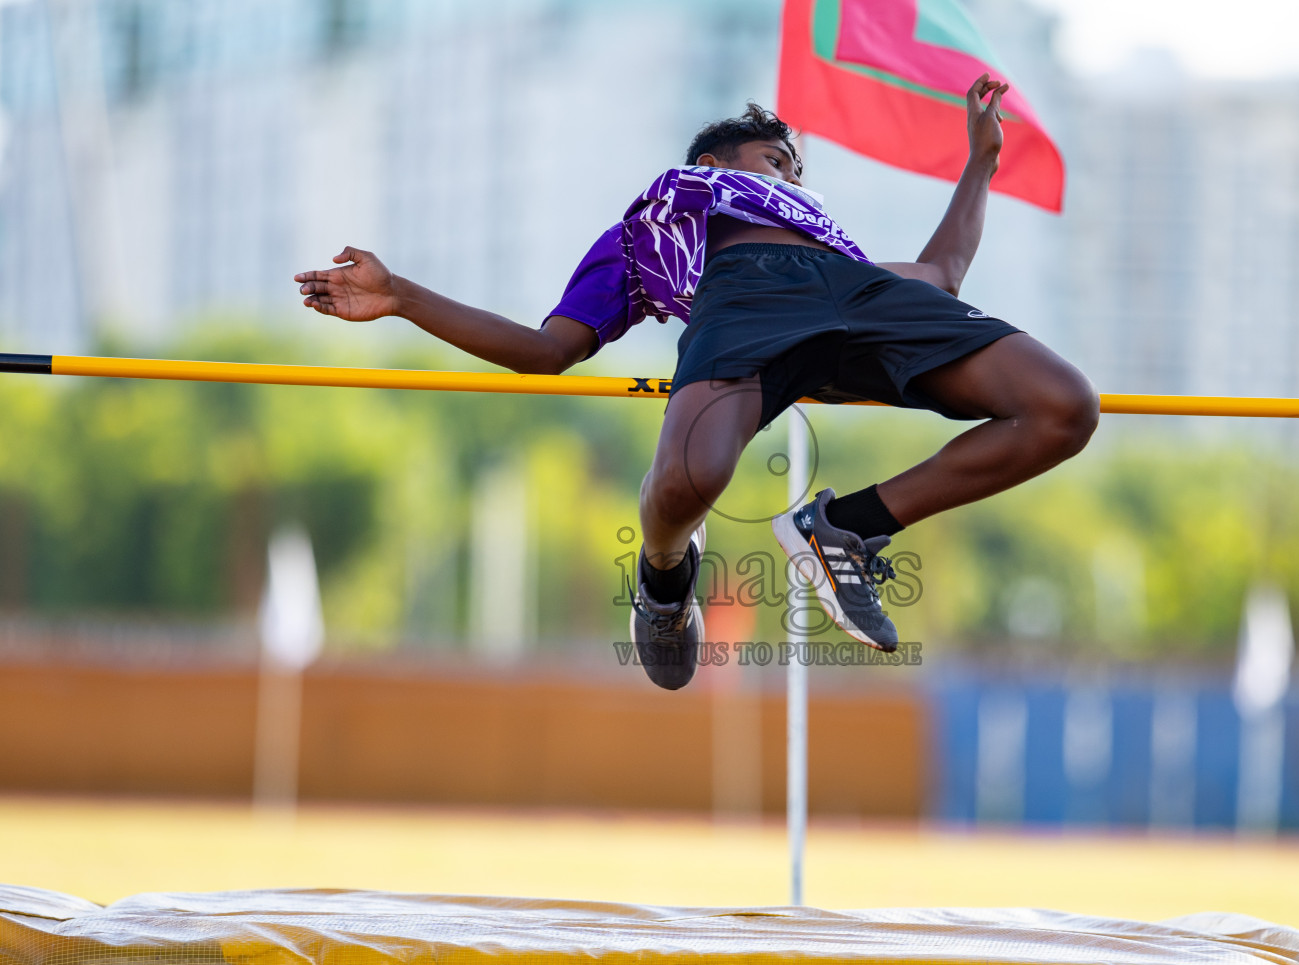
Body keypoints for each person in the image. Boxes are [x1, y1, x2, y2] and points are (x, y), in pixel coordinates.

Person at [295, 75, 1098, 691]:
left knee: (1063, 408)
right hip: (740, 297)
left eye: (797, 167)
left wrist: (981, 162)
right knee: (695, 475)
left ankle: (845, 527)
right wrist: (403, 297)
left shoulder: (833, 240)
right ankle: (666, 573)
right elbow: (546, 350)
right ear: (713, 164)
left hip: (847, 296)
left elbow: (939, 273)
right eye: (775, 159)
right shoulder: (661, 218)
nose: (791, 174)